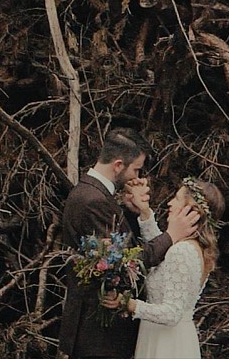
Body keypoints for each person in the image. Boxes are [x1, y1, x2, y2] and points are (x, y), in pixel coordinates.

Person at [58, 128, 200, 359]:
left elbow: (119, 244)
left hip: (99, 332)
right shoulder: (93, 201)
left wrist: (133, 213)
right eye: (135, 168)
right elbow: (126, 264)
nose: (136, 176)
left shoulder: (94, 194)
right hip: (98, 335)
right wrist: (171, 236)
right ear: (117, 164)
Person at [103, 177, 226, 359]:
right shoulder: (191, 247)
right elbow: (163, 258)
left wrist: (129, 304)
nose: (169, 203)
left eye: (176, 198)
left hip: (166, 343)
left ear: (189, 210)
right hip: (170, 336)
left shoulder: (181, 251)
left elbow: (172, 313)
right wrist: (145, 213)